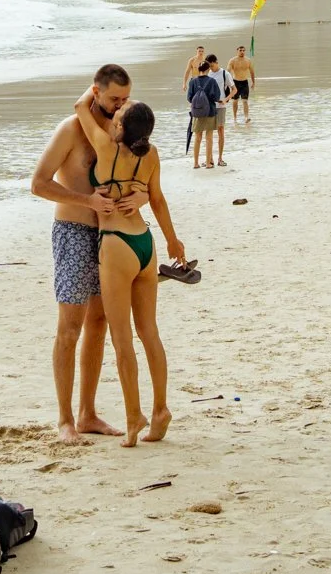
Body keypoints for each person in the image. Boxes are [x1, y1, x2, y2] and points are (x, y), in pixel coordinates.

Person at [70, 87, 186, 446]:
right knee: (149, 332)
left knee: (122, 340)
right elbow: (158, 200)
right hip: (145, 244)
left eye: (120, 112)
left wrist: (98, 90)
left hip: (116, 244)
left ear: (120, 127)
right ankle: (161, 409)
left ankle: (134, 417)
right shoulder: (152, 155)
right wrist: (173, 241)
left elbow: (80, 106)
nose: (116, 111)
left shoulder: (106, 149)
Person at [28, 64, 131, 443]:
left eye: (125, 98)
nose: (121, 105)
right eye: (115, 98)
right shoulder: (70, 129)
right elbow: (38, 184)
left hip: (108, 236)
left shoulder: (118, 127)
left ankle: (88, 413)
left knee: (99, 323)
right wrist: (86, 201)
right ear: (96, 92)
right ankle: (65, 419)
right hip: (73, 232)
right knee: (69, 327)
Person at [187, 56, 222, 168]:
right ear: (208, 69)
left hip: (197, 113)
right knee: (209, 138)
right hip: (210, 112)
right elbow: (216, 97)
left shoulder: (193, 82)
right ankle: (207, 163)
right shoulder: (212, 81)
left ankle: (196, 163)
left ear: (199, 69)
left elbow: (189, 98)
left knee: (197, 138)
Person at [227, 45, 255, 125]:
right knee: (235, 101)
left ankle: (246, 117)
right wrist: (228, 83)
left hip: (244, 82)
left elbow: (252, 72)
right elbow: (228, 71)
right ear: (237, 51)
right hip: (235, 82)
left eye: (243, 50)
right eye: (240, 50)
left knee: (245, 101)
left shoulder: (248, 60)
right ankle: (235, 118)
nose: (242, 52)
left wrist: (253, 82)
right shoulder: (232, 60)